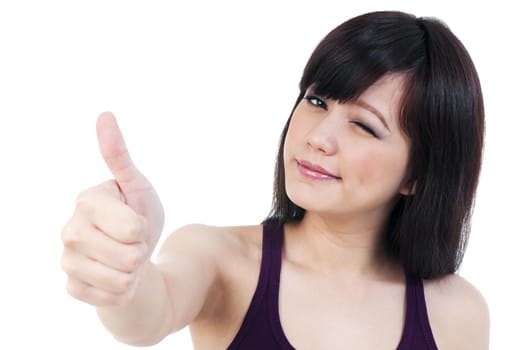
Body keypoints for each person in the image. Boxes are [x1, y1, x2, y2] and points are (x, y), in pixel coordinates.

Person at [60, 10, 489, 350]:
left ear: (417, 174)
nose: (317, 137)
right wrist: (123, 275)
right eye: (316, 100)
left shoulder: (457, 313)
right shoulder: (219, 259)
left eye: (364, 125)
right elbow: (147, 317)